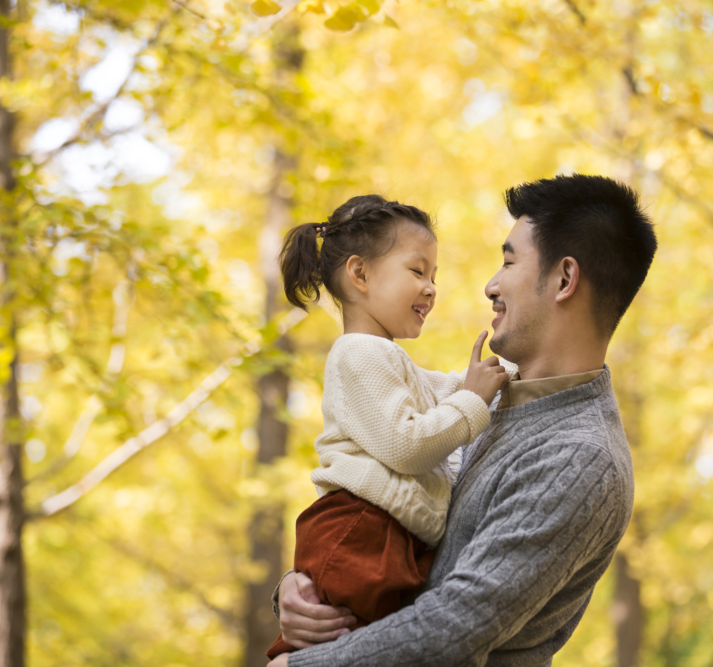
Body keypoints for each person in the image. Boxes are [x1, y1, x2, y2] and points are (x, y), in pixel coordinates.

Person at [267, 174, 658, 667]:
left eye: (509, 261)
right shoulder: (491, 400)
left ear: (564, 279)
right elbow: (386, 512)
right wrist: (299, 593)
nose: (490, 285)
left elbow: (453, 627)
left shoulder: (579, 457)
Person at [265, 195, 512, 659]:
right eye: (418, 272)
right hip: (361, 528)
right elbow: (407, 444)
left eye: (434, 276)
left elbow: (449, 389)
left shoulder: (390, 361)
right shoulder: (357, 353)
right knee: (330, 637)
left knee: (353, 640)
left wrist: (500, 377)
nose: (432, 288)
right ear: (359, 274)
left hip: (384, 533)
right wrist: (473, 400)